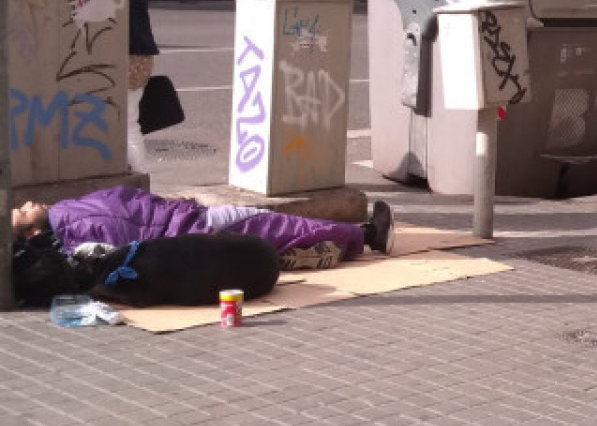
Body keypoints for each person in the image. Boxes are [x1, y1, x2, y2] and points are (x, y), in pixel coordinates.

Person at [11, 187, 396, 258]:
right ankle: (365, 235)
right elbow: (131, 217)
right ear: (32, 231)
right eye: (24, 211)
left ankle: (354, 237)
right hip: (193, 227)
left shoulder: (69, 227)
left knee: (274, 229)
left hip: (185, 224)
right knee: (277, 226)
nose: (28, 202)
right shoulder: (69, 219)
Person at [128, 0, 159, 173]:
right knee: (130, 123)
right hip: (141, 56)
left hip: (127, 54)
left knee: (127, 124)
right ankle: (138, 175)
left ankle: (138, 175)